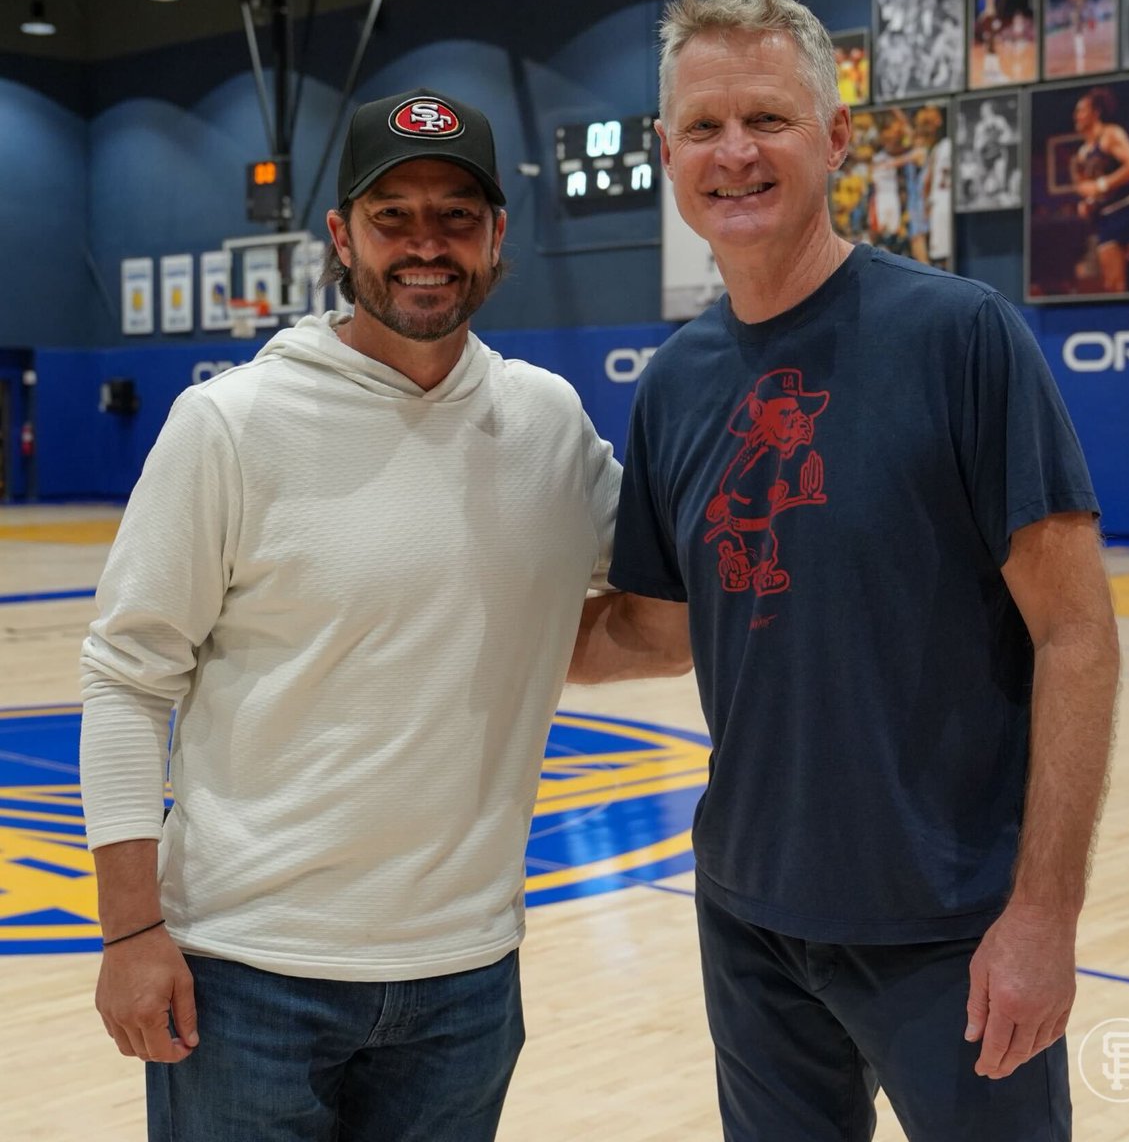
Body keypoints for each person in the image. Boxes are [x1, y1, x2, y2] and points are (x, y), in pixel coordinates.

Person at [571, 0, 1119, 1141]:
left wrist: (1043, 916)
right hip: (750, 919)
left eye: (768, 119)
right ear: (667, 153)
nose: (736, 153)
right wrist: (455, 636)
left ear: (835, 137)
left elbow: (1076, 634)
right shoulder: (672, 385)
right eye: (706, 128)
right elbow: (662, 629)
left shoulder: (961, 337)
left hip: (951, 926)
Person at [79, 87, 680, 1142]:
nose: (425, 244)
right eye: (392, 215)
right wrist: (130, 930)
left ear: (498, 237)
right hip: (248, 971)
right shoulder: (229, 425)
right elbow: (129, 680)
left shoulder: (546, 424)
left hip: (468, 975)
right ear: (340, 237)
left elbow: (631, 620)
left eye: (456, 215)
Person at [1070, 84, 1129, 293]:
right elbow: (1088, 189)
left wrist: (1102, 184)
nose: (1076, 116)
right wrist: (1088, 203)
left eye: (1081, 110)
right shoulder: (1082, 154)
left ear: (1096, 112)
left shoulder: (1111, 135)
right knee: (1113, 286)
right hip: (1106, 218)